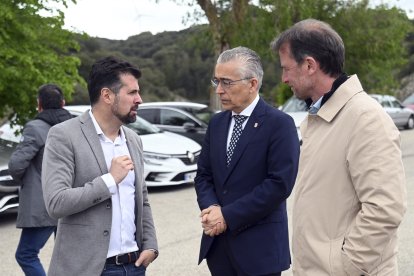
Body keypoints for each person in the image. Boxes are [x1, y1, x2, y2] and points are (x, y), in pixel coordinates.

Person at [271, 19, 407, 275]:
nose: (284, 78)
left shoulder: (365, 118)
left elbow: (385, 208)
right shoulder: (319, 116)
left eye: (287, 69)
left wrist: (347, 265)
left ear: (310, 65)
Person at [42, 56, 158, 276]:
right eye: (132, 92)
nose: (139, 99)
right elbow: (56, 203)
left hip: (134, 266)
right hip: (89, 269)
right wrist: (109, 180)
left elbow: (141, 198)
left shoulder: (133, 139)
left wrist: (151, 244)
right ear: (107, 95)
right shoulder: (64, 135)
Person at [195, 46, 300, 276]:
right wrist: (211, 207)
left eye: (227, 82)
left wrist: (227, 216)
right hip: (219, 249)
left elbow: (279, 185)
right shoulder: (217, 124)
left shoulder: (279, 124)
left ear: (252, 84)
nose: (219, 90)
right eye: (217, 82)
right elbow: (204, 175)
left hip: (259, 252)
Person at [8, 84, 73, 276]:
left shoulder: (35, 128)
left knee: (26, 254)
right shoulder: (74, 126)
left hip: (43, 202)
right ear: (63, 103)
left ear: (39, 105)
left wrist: (28, 182)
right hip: (72, 201)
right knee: (66, 256)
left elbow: (16, 165)